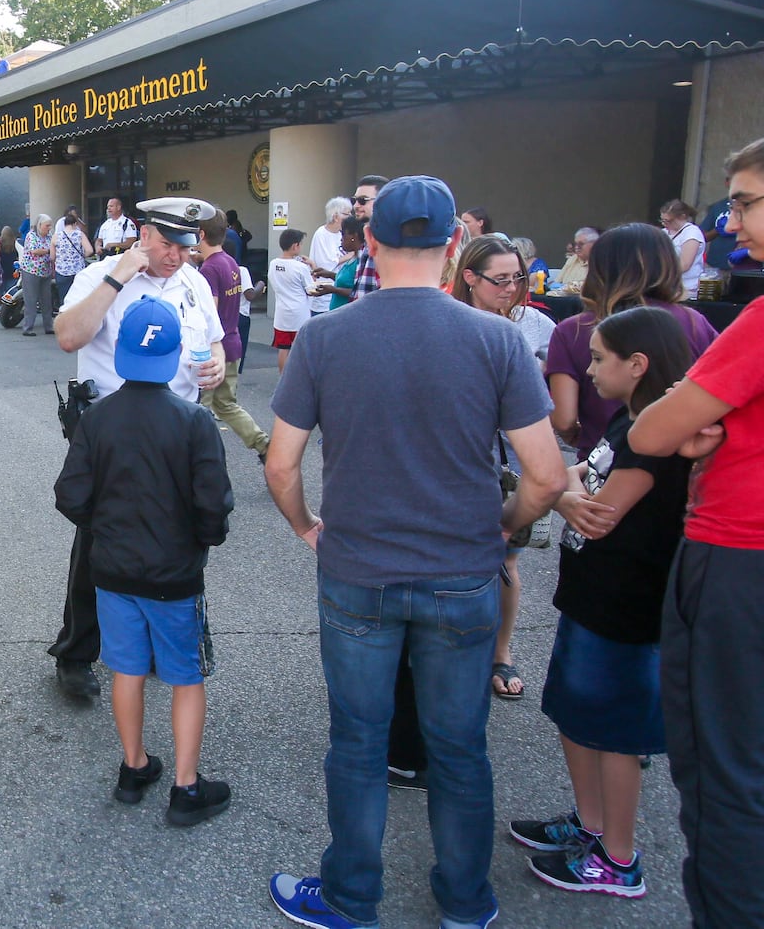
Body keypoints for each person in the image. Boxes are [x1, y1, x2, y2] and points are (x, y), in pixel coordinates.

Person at [264, 175, 565, 929]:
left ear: (368, 241)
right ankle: (466, 900)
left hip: (358, 571)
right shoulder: (498, 339)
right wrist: (503, 522)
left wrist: (307, 526)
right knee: (458, 746)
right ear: (454, 245)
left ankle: (351, 897)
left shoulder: (327, 335)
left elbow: (279, 462)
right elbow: (548, 475)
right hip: (464, 575)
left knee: (358, 741)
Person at [628, 136, 764, 928]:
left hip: (736, 557)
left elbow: (651, 429)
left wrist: (684, 415)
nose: (729, 219)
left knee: (724, 773)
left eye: (744, 200)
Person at [510, 306, 691, 899]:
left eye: (597, 359)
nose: (587, 371)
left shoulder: (652, 438)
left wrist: (561, 491)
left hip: (626, 611)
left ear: (637, 365)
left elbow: (599, 512)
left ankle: (618, 857)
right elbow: (573, 477)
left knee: (615, 731)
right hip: (590, 599)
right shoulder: (626, 422)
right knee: (575, 712)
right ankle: (589, 826)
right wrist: (565, 487)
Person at [54, 296, 235, 826]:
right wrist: (204, 539)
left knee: (126, 669)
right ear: (176, 352)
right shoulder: (195, 421)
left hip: (111, 569)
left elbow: (70, 495)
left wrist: (102, 527)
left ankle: (133, 767)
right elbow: (213, 502)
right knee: (184, 675)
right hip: (175, 575)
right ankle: (185, 785)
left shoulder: (98, 418)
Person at [48, 197, 225, 699]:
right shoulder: (103, 275)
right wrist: (117, 278)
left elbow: (212, 339)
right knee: (99, 541)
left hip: (177, 429)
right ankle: (77, 653)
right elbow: (68, 337)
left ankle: (148, 644)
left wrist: (214, 362)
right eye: (167, 244)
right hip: (112, 431)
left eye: (185, 246)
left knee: (175, 537)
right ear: (144, 234)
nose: (176, 256)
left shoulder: (192, 280)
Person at [451, 233, 556, 701]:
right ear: (470, 278)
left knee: (507, 559)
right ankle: (451, 655)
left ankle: (501, 651)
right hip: (464, 457)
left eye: (518, 277)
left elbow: (545, 401)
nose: (511, 288)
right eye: (500, 280)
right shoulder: (452, 322)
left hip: (515, 455)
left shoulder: (533, 324)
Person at [545, 222, 716, 462]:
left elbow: (564, 419)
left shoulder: (572, 330)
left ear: (599, 268)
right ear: (666, 264)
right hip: (679, 462)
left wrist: (582, 438)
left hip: (603, 465)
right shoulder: (694, 322)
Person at [197, 212, 268, 460]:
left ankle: (201, 462)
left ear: (201, 234)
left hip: (212, 349)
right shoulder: (229, 263)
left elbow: (209, 313)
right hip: (233, 340)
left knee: (200, 408)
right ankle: (262, 444)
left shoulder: (208, 269)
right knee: (226, 404)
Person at [268, 228, 317, 374]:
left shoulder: (273, 264)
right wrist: (313, 266)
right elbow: (311, 289)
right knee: (299, 350)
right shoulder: (301, 267)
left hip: (282, 314)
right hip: (299, 314)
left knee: (283, 349)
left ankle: (283, 379)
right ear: (295, 246)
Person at [306, 197, 351, 316]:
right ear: (336, 217)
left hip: (341, 291)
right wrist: (350, 255)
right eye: (347, 214)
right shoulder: (321, 234)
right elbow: (326, 265)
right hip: (324, 296)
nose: (350, 217)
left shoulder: (342, 234)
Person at [347, 175, 389, 299]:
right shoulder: (368, 238)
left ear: (383, 201)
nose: (356, 206)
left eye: (363, 200)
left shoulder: (388, 242)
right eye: (354, 200)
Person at [659, 198, 705, 299]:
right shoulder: (663, 232)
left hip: (686, 287)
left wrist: (659, 272)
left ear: (682, 217)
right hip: (666, 286)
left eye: (668, 221)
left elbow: (685, 264)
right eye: (662, 221)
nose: (665, 224)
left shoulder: (691, 232)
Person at [19, 214, 56, 336]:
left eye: (50, 225)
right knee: (31, 300)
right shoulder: (31, 236)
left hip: (45, 271)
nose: (49, 228)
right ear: (40, 225)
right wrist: (49, 250)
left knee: (46, 300)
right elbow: (34, 251)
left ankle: (48, 327)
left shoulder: (49, 236)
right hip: (31, 271)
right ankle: (28, 328)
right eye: (47, 225)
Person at [52, 208, 94, 307]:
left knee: (64, 298)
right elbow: (90, 250)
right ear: (75, 224)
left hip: (62, 272)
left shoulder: (56, 236)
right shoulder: (80, 234)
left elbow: (52, 256)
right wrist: (82, 256)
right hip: (78, 271)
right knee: (78, 298)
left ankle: (65, 318)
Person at [559, 227, 598, 293]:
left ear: (594, 244)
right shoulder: (572, 259)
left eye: (581, 244)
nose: (576, 247)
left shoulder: (601, 262)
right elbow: (557, 282)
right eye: (575, 244)